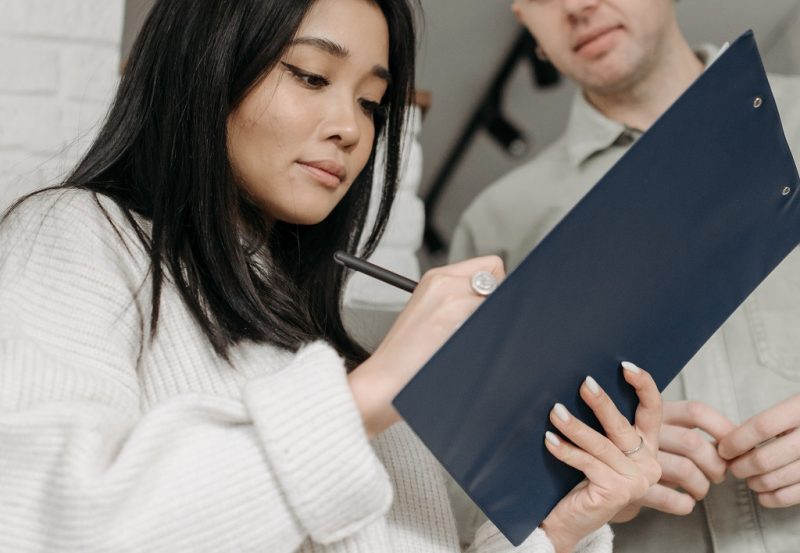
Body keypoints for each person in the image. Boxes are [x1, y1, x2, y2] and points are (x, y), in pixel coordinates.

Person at [0, 0, 664, 551]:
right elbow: (40, 525)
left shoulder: (323, 335)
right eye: (312, 76)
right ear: (205, 65)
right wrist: (368, 396)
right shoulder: (74, 236)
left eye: (373, 101)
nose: (351, 128)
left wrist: (561, 526)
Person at [449, 1, 800, 552]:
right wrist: (577, 485)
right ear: (523, 18)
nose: (577, 5)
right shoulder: (493, 229)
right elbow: (477, 509)